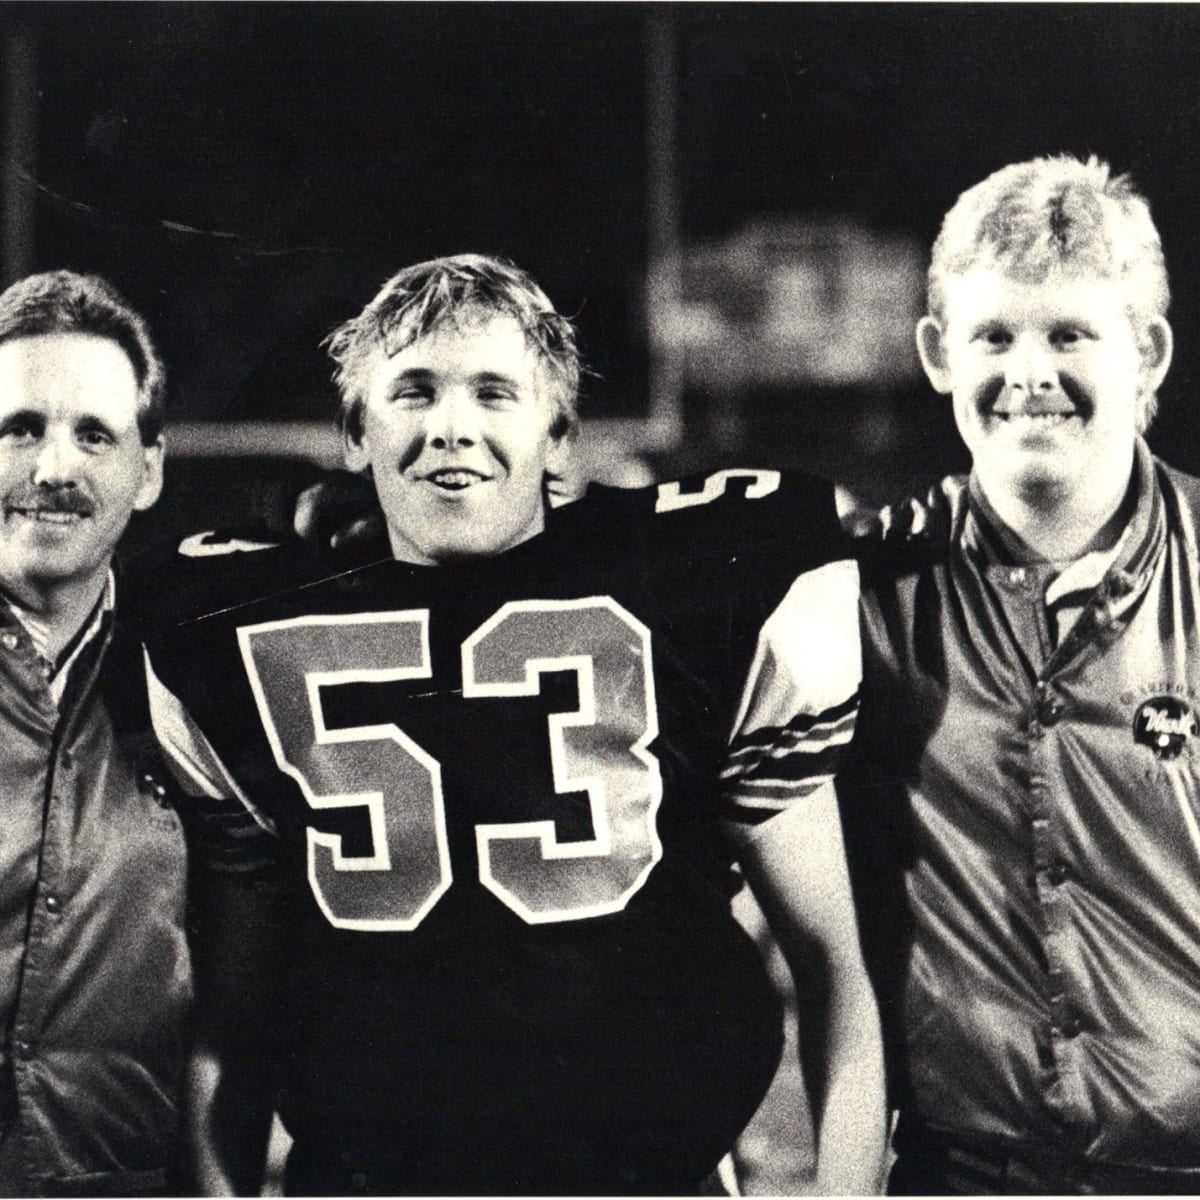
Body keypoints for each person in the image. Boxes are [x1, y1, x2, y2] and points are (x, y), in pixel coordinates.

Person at [141, 253, 886, 1195]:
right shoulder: (254, 631)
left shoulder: (694, 593)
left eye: (495, 392)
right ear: (354, 433)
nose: (453, 426)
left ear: (561, 434)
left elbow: (832, 965)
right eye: (413, 392)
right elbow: (235, 1023)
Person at [840, 154, 1200, 1193]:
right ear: (937, 354)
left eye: (1070, 333)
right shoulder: (862, 592)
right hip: (964, 1175)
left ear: (1149, 353)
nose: (1030, 369)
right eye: (995, 334)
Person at [0, 270, 191, 1196]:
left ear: (146, 470)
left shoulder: (200, 680)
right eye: (20, 427)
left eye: (94, 434)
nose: (54, 470)